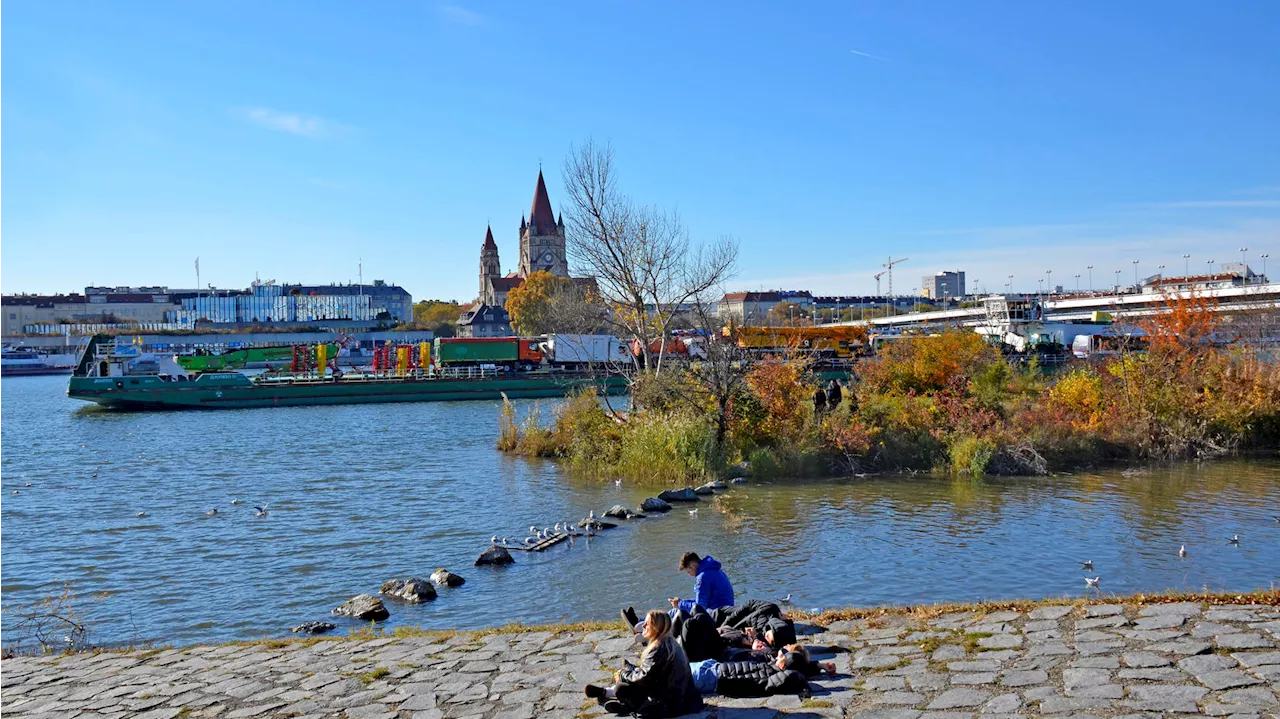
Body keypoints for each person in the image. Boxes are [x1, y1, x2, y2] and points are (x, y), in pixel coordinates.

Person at [585, 610, 704, 718]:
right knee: (632, 676)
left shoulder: (658, 649)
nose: (643, 626)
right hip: (685, 699)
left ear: (656, 627)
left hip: (669, 706)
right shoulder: (671, 644)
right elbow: (652, 675)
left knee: (620, 688)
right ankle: (616, 696)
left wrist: (623, 675)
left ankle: (629, 705)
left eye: (647, 623)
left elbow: (644, 678)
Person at [687, 647, 813, 698]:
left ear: (783, 665)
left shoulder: (774, 678)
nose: (778, 656)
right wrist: (818, 665)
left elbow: (790, 676)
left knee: (670, 675)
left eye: (781, 658)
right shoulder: (771, 667)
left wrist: (801, 682)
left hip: (711, 677)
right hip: (713, 666)